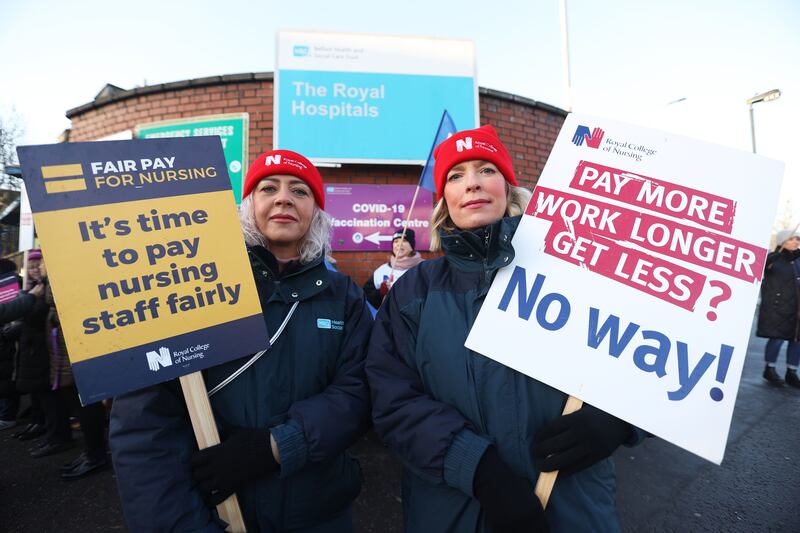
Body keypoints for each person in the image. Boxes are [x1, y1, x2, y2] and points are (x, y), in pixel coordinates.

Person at [367, 125, 641, 533]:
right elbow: (391, 398)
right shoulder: (414, 292)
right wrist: (475, 468)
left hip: (572, 508)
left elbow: (646, 356)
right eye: (456, 176)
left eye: (485, 170)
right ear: (445, 201)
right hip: (452, 511)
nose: (472, 183)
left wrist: (620, 421)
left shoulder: (575, 273)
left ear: (509, 189)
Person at [109, 149, 372, 532]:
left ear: (316, 212)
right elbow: (145, 427)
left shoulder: (344, 297)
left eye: (300, 191)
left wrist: (280, 445)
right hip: (215, 512)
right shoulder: (190, 287)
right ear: (247, 207)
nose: (284, 198)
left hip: (320, 511)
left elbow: (358, 391)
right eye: (269, 188)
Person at [757, 228, 800, 387]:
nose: (796, 242)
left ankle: (792, 372)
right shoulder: (773, 260)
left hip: (797, 310)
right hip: (778, 308)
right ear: (783, 242)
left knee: (797, 341)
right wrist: (774, 256)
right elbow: (761, 269)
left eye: (797, 239)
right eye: (792, 239)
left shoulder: (799, 260)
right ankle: (769, 368)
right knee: (777, 339)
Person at [363, 229, 424, 308]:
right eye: (396, 241)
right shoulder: (382, 270)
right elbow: (366, 298)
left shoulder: (423, 268)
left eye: (404, 240)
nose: (399, 244)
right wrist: (380, 293)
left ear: (412, 245)